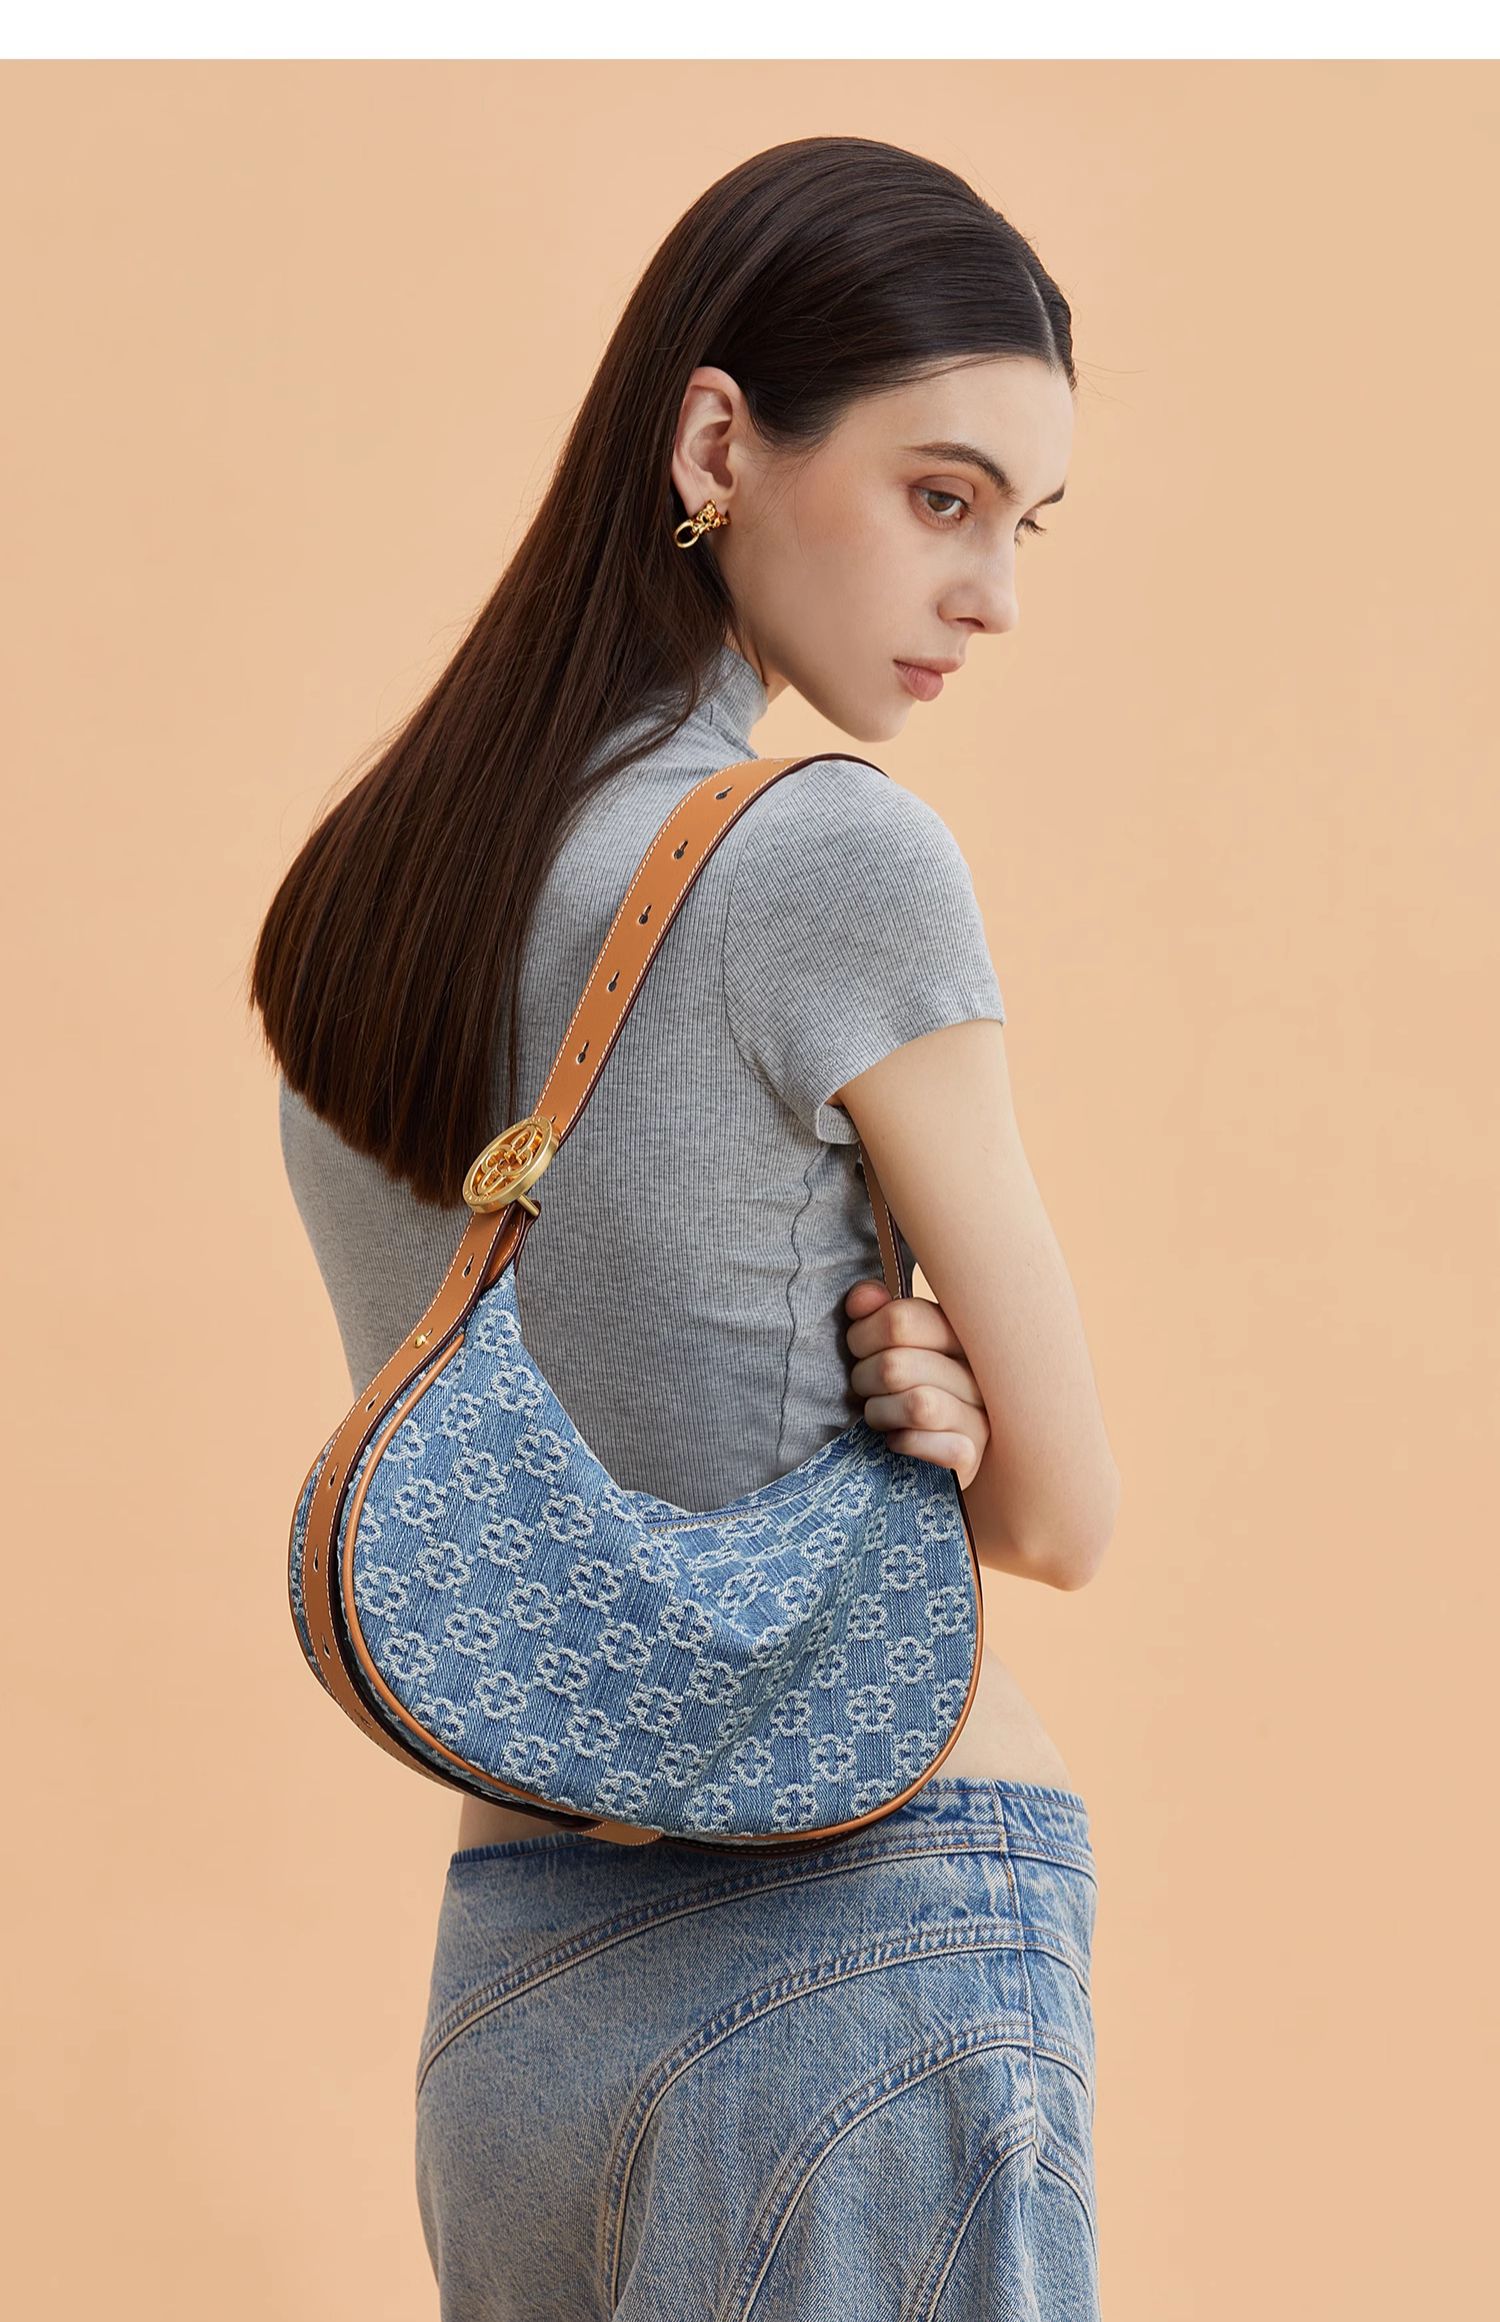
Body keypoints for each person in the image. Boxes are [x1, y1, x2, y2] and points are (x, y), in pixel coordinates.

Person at [252, 134, 1118, 2322]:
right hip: (863, 1940)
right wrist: (942, 1409)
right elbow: (1063, 1511)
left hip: (518, 1994)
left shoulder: (366, 905)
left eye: (1023, 524)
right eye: (942, 495)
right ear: (719, 442)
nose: (994, 595)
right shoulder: (833, 857)